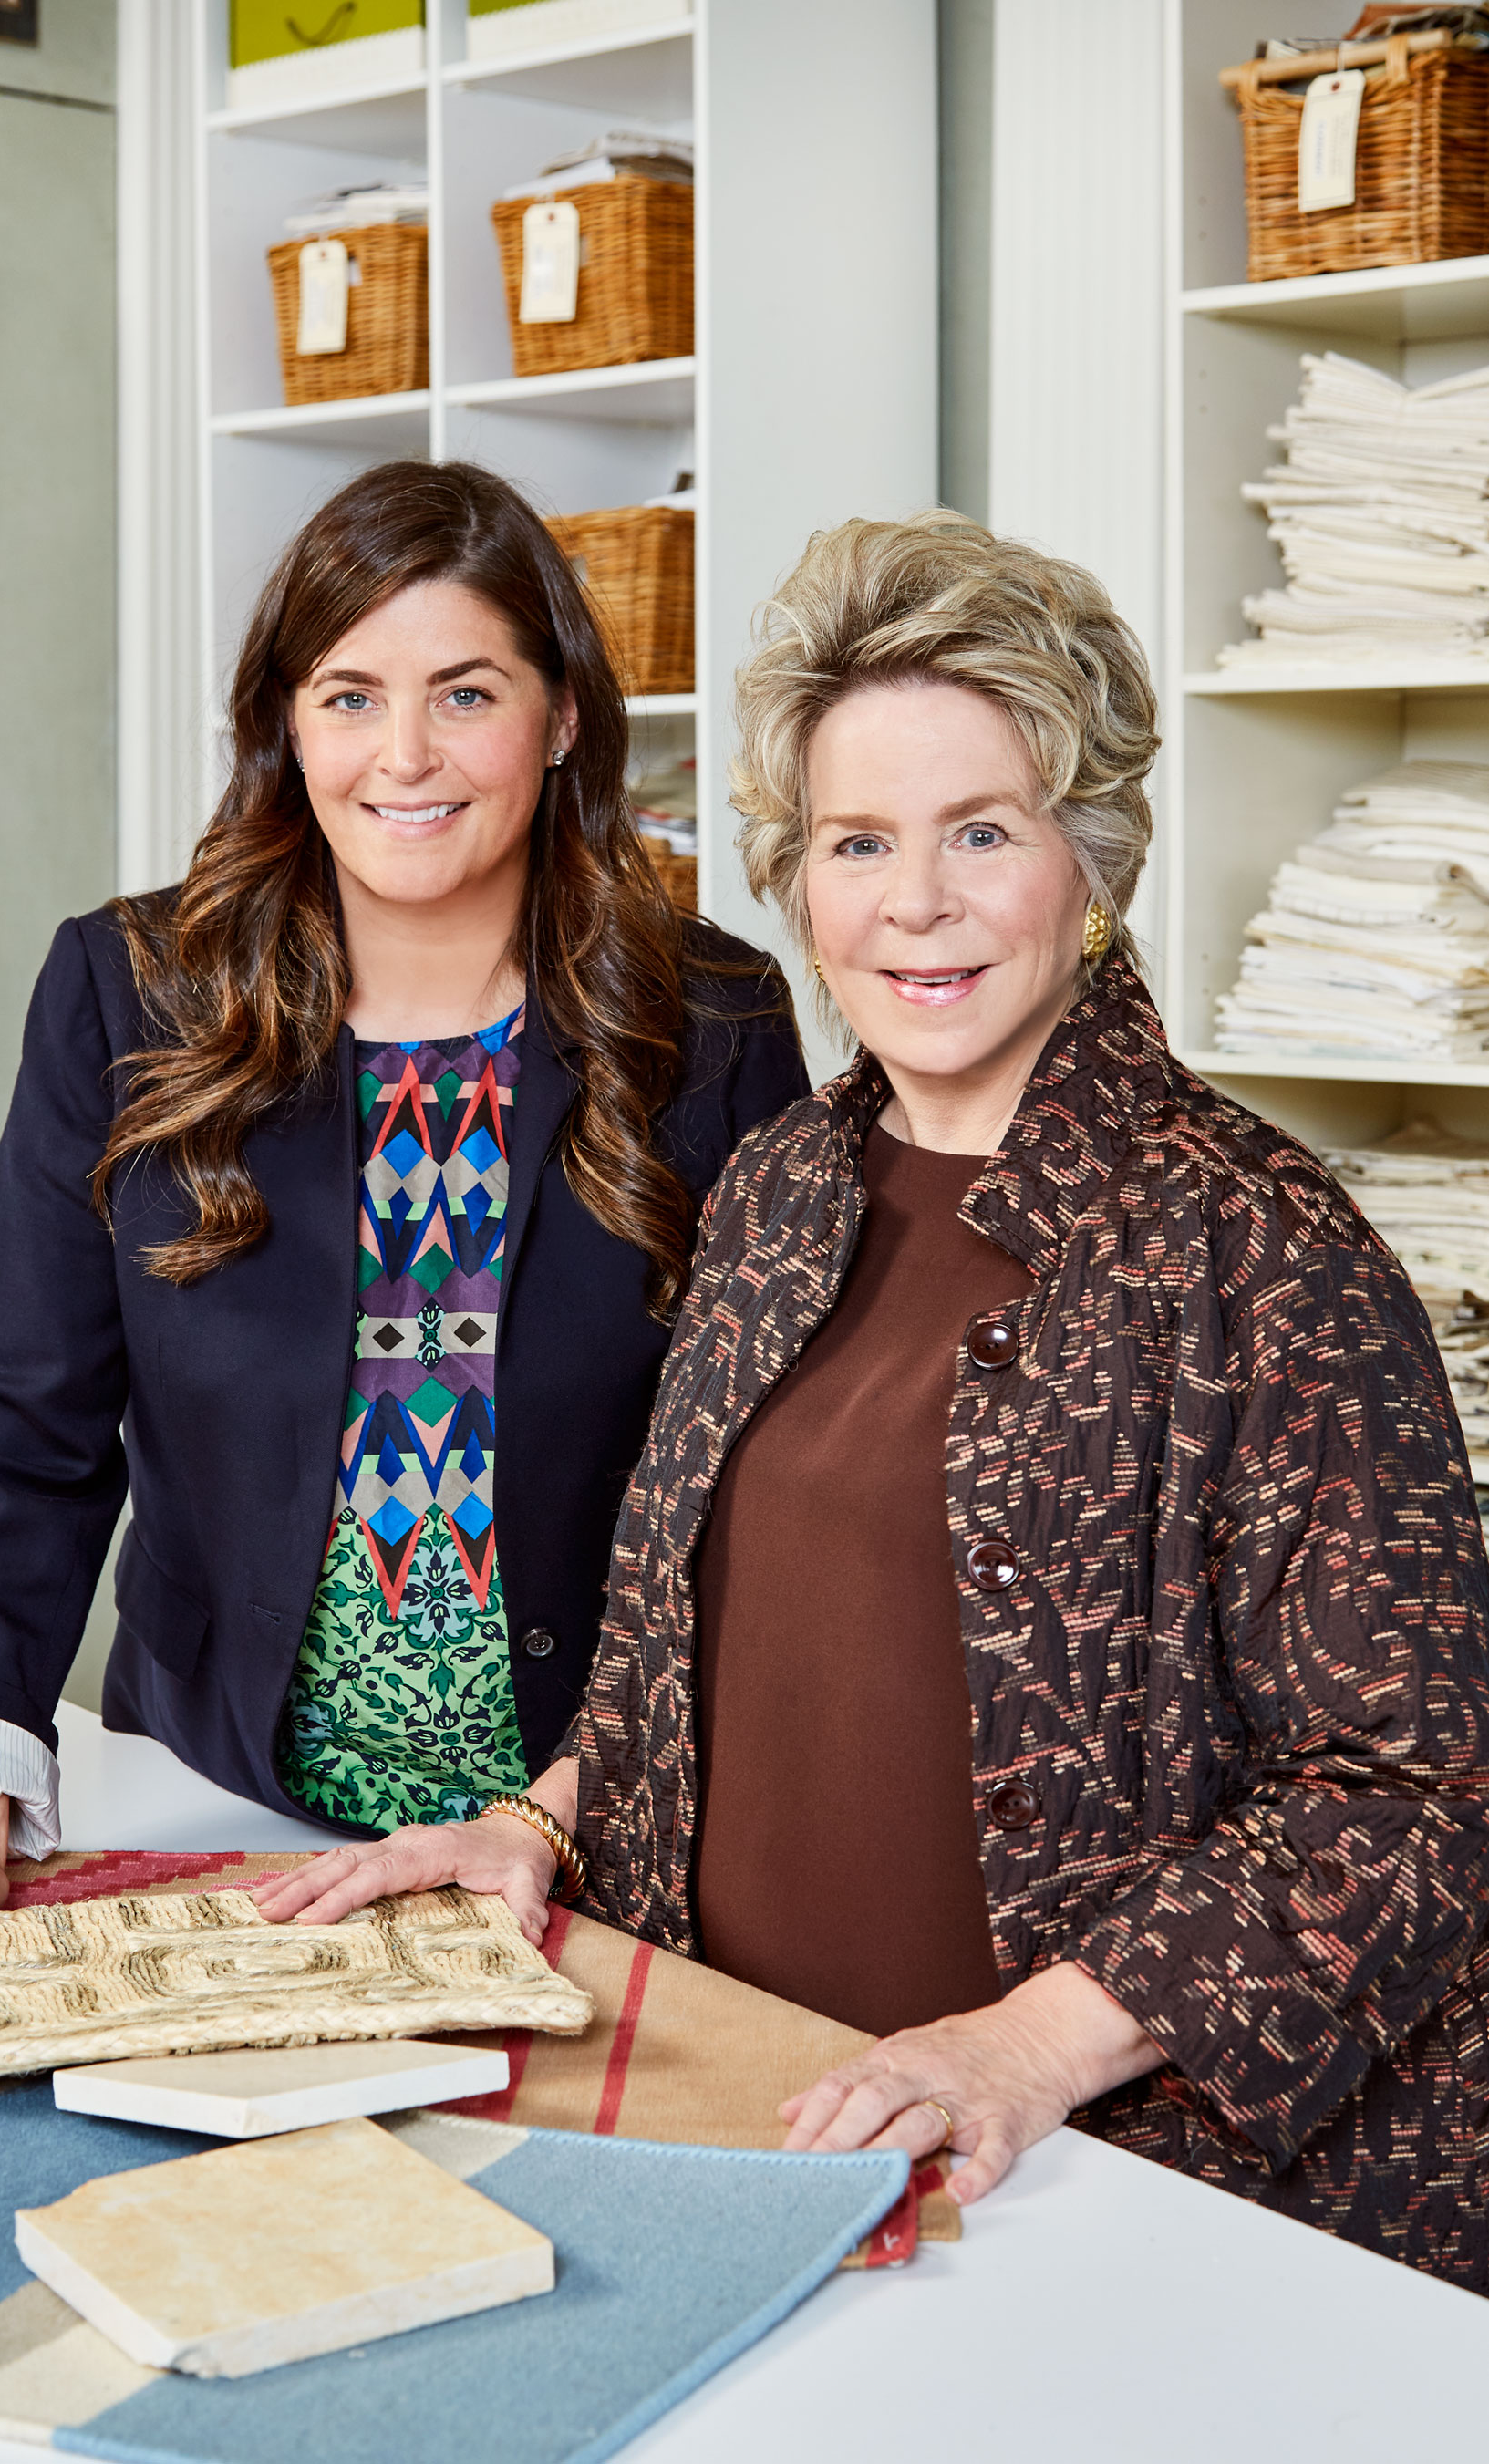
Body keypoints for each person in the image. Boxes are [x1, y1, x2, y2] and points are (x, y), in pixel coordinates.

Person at [257, 508, 1489, 2291]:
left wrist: (1022, 2046)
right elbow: (683, 1638)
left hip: (1108, 2181)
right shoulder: (776, 1189)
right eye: (856, 840)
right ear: (797, 875)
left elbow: (1408, 1792)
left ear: (1089, 856)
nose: (912, 900)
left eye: (979, 830)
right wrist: (532, 1821)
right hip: (757, 2119)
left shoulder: (1255, 1243)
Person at [0, 459, 807, 1953]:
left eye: (466, 693)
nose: (404, 754)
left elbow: (764, 1487)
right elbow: (16, 1421)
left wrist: (565, 1802)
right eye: (350, 693)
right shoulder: (129, 996)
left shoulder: (715, 1020)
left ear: (559, 718)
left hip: (585, 1832)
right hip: (223, 1810)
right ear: (285, 726)